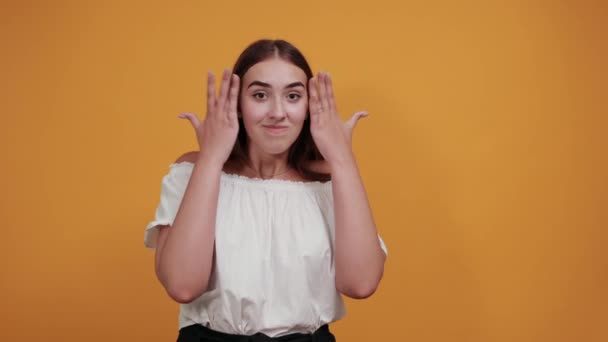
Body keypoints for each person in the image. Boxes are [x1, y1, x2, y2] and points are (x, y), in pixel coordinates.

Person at [144, 39, 388, 342]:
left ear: (310, 107)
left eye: (293, 96)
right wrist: (210, 157)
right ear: (238, 105)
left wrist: (342, 159)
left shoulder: (330, 182)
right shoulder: (193, 171)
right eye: (260, 95)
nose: (277, 112)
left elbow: (361, 284)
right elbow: (182, 285)